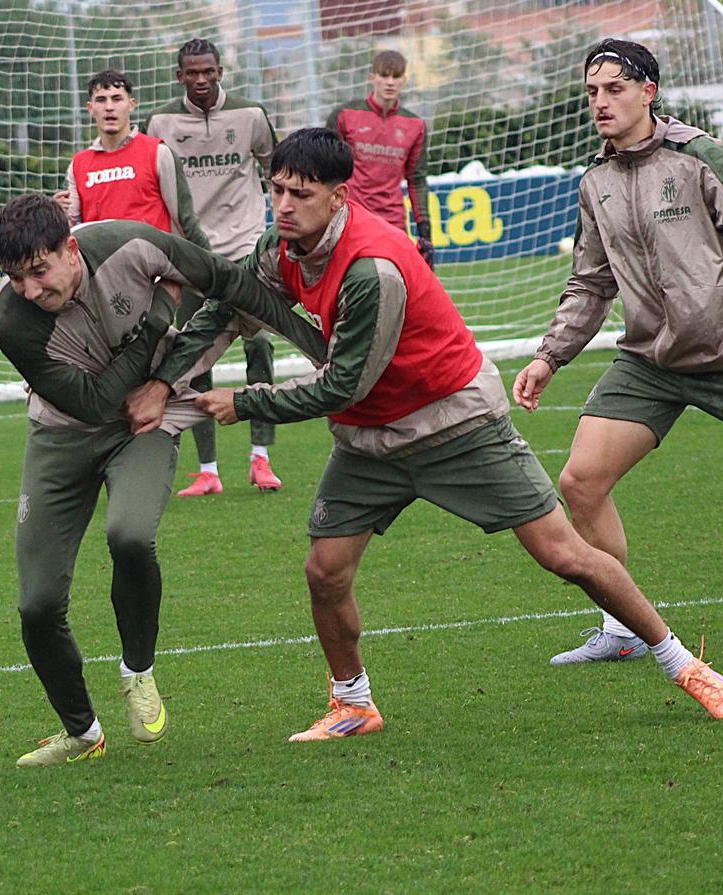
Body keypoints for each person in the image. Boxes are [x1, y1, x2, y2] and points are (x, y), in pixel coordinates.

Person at [127, 127, 723, 740]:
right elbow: (225, 309)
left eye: (300, 194)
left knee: (563, 555)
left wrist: (243, 402)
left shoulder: (372, 267)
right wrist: (165, 383)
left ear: (338, 196)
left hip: (453, 423)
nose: (283, 205)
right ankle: (353, 705)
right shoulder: (276, 247)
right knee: (324, 572)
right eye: (276, 190)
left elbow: (344, 387)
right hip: (370, 441)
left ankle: (688, 667)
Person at [0, 194, 274, 766]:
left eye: (39, 272)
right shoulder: (9, 322)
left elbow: (223, 278)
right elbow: (94, 403)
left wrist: (321, 346)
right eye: (15, 278)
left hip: (144, 425)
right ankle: (82, 733)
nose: (29, 290)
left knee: (130, 536)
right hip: (64, 433)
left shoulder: (128, 243)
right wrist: (158, 320)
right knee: (37, 605)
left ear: (71, 249)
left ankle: (137, 672)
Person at [513, 39, 723, 665]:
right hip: (650, 362)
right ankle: (623, 628)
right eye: (592, 93)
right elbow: (592, 281)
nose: (600, 103)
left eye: (614, 89)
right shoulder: (595, 181)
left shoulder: (700, 158)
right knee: (580, 482)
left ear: (648, 92)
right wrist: (550, 356)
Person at [145, 37, 283, 496]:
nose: (201, 80)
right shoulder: (161, 121)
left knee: (258, 345)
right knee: (193, 355)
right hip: (190, 257)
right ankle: (208, 470)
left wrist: (274, 227)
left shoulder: (250, 115)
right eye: (192, 73)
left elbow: (277, 171)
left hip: (245, 249)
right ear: (179, 75)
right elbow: (150, 180)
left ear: (221, 71)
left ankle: (261, 458)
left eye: (209, 71)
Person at [55, 69, 211, 251]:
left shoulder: (159, 153)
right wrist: (57, 213)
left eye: (117, 99)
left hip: (153, 272)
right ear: (90, 108)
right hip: (103, 270)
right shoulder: (78, 165)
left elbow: (186, 221)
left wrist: (212, 269)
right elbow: (70, 226)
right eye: (101, 100)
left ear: (131, 105)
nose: (109, 107)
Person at [326, 50, 434, 268]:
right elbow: (326, 170)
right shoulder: (344, 115)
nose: (390, 82)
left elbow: (417, 180)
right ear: (372, 78)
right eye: (384, 76)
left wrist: (425, 231)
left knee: (401, 286)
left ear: (404, 80)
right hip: (350, 218)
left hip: (392, 222)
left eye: (396, 76)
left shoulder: (415, 125)